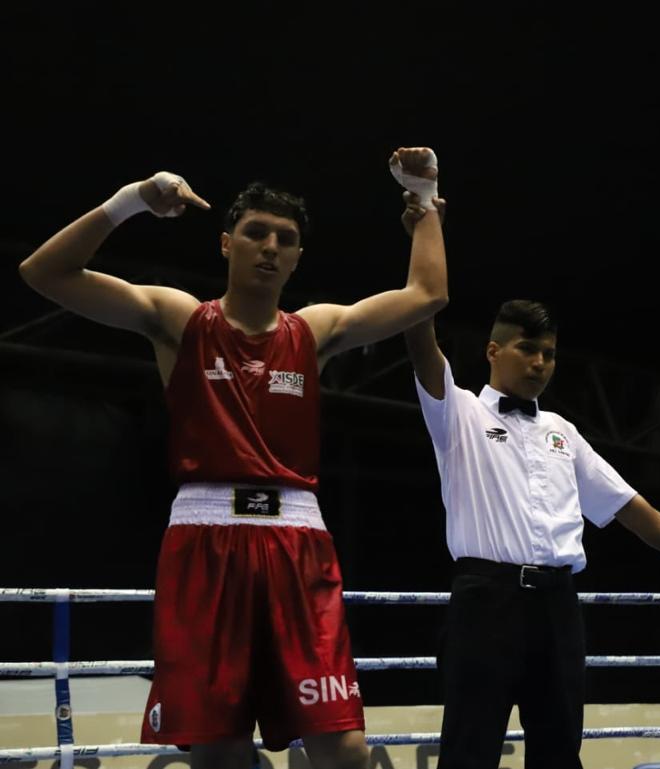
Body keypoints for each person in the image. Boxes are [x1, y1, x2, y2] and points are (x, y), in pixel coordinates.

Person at [18, 149, 448, 769]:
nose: (270, 246)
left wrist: (426, 198)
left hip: (299, 543)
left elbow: (428, 294)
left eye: (286, 238)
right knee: (216, 750)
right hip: (204, 540)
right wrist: (132, 200)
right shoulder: (180, 318)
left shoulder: (316, 329)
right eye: (256, 233)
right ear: (226, 243)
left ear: (299, 256)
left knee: (344, 747)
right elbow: (45, 273)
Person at [399, 195, 660, 769]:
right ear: (493, 350)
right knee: (469, 750)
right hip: (485, 601)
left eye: (550, 354)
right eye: (528, 349)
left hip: (559, 605)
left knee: (560, 752)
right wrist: (423, 234)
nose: (540, 362)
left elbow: (629, 506)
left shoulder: (562, 430)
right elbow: (419, 337)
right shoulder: (458, 413)